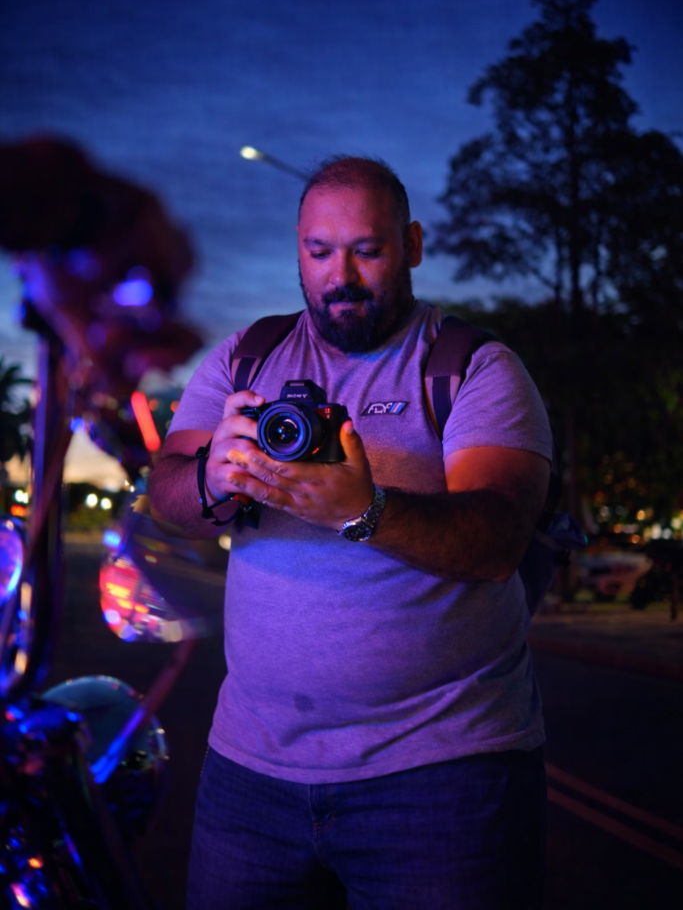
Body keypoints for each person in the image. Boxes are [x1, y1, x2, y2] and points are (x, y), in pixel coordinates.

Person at [148, 156, 553, 910]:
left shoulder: (473, 368)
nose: (341, 276)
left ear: (412, 245)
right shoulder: (245, 359)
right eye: (319, 251)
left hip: (442, 775)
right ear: (297, 250)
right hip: (250, 772)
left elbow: (497, 540)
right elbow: (165, 494)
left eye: (367, 250)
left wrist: (361, 511)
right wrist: (213, 477)